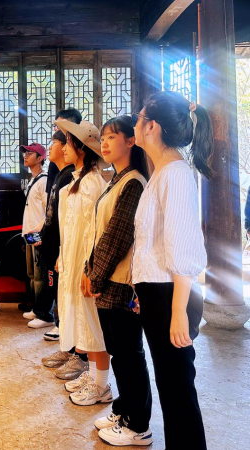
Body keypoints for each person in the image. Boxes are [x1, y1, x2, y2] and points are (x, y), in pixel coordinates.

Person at [120, 91, 212, 449]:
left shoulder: (175, 173)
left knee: (177, 390)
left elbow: (182, 246)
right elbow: (153, 244)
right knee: (171, 387)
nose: (135, 125)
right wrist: (141, 292)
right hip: (158, 294)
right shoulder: (163, 172)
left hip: (172, 295)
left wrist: (176, 312)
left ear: (152, 127)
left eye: (139, 118)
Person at [75, 116, 153, 444]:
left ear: (131, 141)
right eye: (103, 137)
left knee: (129, 354)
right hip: (109, 280)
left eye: (111, 136)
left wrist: (95, 276)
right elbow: (101, 233)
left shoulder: (134, 182)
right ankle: (124, 409)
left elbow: (118, 237)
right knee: (120, 353)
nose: (104, 143)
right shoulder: (118, 179)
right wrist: (89, 269)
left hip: (122, 284)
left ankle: (139, 426)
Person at [49, 120, 108, 384]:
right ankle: (89, 372)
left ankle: (97, 380)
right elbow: (70, 228)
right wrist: (63, 255)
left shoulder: (91, 183)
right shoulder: (76, 182)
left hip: (84, 263)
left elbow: (92, 232)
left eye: (68, 143)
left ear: (81, 148)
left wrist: (88, 267)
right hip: (72, 259)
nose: (63, 148)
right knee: (78, 314)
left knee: (89, 319)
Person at [19, 108, 82, 313]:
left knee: (47, 275)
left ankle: (46, 313)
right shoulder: (56, 172)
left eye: (59, 127)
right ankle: (40, 309)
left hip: (54, 234)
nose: (55, 131)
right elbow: (51, 205)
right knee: (35, 273)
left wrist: (44, 230)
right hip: (40, 229)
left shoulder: (70, 174)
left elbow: (56, 209)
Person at [34, 131, 75, 340]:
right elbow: (52, 212)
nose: (51, 147)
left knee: (58, 284)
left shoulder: (70, 175)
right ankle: (60, 323)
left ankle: (61, 325)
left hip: (60, 244)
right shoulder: (60, 174)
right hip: (51, 242)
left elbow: (67, 217)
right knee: (53, 283)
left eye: (56, 143)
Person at [19, 143, 53, 328]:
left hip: (38, 234)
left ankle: (44, 314)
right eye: (25, 152)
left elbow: (49, 210)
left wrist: (39, 232)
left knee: (41, 276)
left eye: (30, 153)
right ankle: (36, 308)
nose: (26, 155)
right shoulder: (33, 180)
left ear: (40, 158)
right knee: (32, 274)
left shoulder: (44, 180)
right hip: (30, 233)